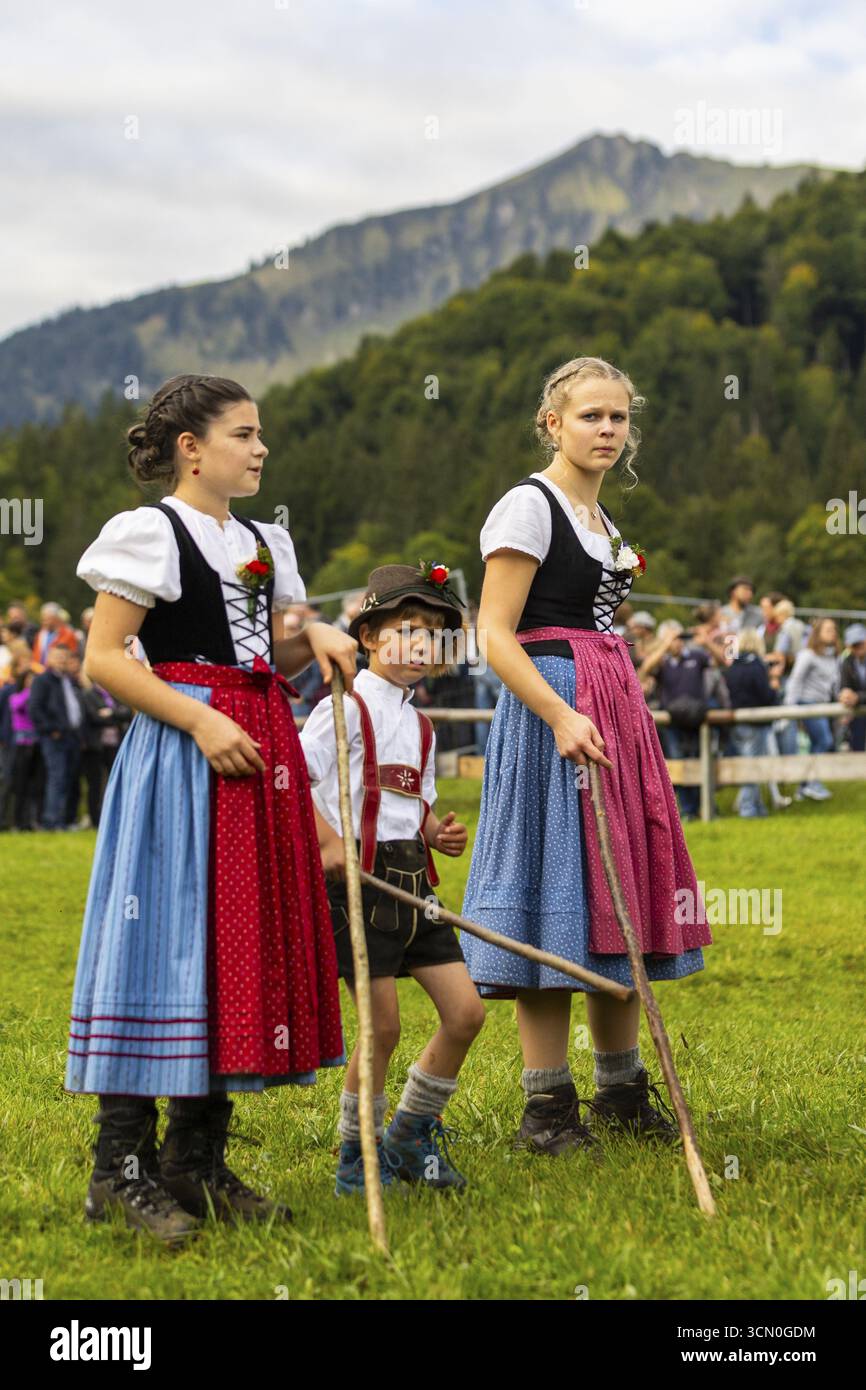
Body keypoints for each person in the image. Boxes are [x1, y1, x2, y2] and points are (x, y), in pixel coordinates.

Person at [64, 373, 356, 1241]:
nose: (260, 448)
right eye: (242, 433)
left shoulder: (265, 540)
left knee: (235, 944)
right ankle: (119, 1167)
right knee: (164, 937)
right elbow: (106, 659)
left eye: (260, 433)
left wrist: (330, 637)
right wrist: (199, 721)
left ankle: (195, 1163)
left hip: (257, 751)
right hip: (182, 754)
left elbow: (280, 654)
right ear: (191, 450)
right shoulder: (148, 532)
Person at [461, 355, 711, 1155]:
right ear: (552, 423)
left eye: (618, 418)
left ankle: (621, 1091)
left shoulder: (604, 524)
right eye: (590, 417)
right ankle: (546, 1109)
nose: (607, 430)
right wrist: (561, 713)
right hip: (553, 712)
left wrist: (615, 697)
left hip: (610, 704)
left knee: (621, 890)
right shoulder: (528, 507)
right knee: (552, 892)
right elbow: (494, 634)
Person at [300, 564, 485, 1194]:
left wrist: (437, 834)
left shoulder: (424, 726)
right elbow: (294, 781)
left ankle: (409, 1133)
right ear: (371, 636)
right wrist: (328, 845)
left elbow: (416, 802)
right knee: (382, 1028)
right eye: (407, 629)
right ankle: (359, 1155)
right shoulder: (342, 707)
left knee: (465, 1013)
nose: (420, 644)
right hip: (358, 882)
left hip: (413, 884)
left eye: (432, 635)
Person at [721, 629, 781, 818]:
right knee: (752, 766)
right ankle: (747, 807)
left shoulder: (733, 666)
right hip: (755, 722)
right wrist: (775, 685)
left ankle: (758, 806)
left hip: (736, 721)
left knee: (750, 763)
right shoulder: (757, 666)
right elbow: (765, 695)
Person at [785, 617, 843, 801]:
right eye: (827, 629)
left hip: (824, 704)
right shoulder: (808, 654)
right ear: (817, 633)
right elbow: (795, 680)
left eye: (833, 629)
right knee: (824, 740)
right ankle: (812, 783)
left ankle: (805, 785)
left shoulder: (834, 656)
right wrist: (789, 708)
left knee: (817, 743)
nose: (832, 632)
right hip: (807, 703)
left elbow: (834, 684)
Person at [28, 644, 82, 829]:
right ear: (49, 658)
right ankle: (52, 821)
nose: (62, 661)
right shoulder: (43, 680)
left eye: (65, 657)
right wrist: (51, 730)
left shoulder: (68, 680)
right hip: (54, 737)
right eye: (58, 657)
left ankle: (65, 820)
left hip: (71, 736)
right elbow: (34, 709)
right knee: (56, 777)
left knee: (68, 778)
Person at [839, 622, 866, 751]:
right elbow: (844, 685)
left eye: (859, 643)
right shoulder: (847, 661)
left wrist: (858, 698)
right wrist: (845, 695)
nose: (857, 647)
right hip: (858, 716)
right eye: (854, 645)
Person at [32, 601, 79, 668]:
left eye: (47, 619)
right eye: (43, 619)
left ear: (57, 618)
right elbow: (35, 655)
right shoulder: (40, 634)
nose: (44, 622)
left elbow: (73, 656)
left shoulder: (68, 635)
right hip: (39, 672)